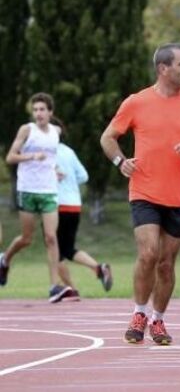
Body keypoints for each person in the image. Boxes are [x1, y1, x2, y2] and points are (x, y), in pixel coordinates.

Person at [101, 43, 180, 346]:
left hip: (179, 196)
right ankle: (139, 313)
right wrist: (120, 161)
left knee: (166, 263)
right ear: (163, 69)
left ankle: (158, 319)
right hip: (144, 190)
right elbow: (108, 137)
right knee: (148, 253)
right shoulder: (136, 102)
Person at [1, 93, 74, 302]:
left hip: (49, 190)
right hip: (28, 189)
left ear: (50, 112)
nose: (38, 114)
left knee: (51, 237)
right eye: (35, 110)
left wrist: (56, 169)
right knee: (26, 238)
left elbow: (51, 158)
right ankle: (5, 260)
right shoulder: (27, 130)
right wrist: (32, 156)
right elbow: (10, 157)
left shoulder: (55, 132)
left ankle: (54, 286)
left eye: (42, 109)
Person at [55, 135, 114, 299]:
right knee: (68, 249)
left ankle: (71, 289)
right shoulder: (69, 151)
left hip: (57, 204)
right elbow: (83, 176)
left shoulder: (46, 152)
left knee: (55, 251)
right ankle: (98, 268)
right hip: (74, 205)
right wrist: (69, 182)